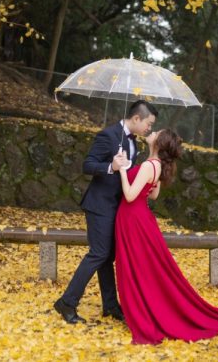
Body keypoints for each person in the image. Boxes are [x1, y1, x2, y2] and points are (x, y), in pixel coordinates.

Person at [113, 129, 218, 344]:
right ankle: (147, 306)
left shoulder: (148, 166)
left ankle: (145, 311)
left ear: (159, 142)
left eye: (156, 132)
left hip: (133, 219)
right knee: (145, 268)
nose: (152, 132)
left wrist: (123, 170)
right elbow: (152, 194)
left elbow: (129, 195)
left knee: (138, 267)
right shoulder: (155, 164)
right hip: (139, 219)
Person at [54, 100, 158, 324]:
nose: (149, 129)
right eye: (149, 124)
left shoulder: (135, 144)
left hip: (118, 206)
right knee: (99, 254)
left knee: (108, 256)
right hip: (99, 205)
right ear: (137, 118)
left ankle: (110, 305)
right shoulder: (107, 135)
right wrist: (111, 166)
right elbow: (88, 165)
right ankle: (67, 302)